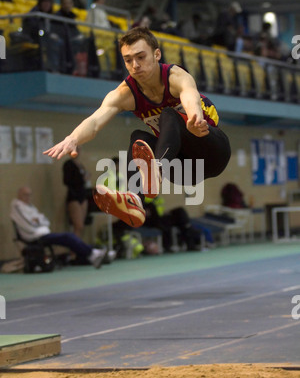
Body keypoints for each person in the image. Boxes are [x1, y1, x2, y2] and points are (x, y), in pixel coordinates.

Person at [44, 26, 231, 229]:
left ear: (157, 54)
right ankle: (135, 199)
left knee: (169, 114)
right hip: (181, 168)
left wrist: (194, 119)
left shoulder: (176, 76)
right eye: (128, 60)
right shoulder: (125, 93)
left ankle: (155, 170)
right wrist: (73, 138)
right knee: (138, 138)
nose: (135, 65)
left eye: (141, 57)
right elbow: (96, 120)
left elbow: (190, 97)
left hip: (211, 151)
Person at [10, 186, 107, 269]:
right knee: (67, 236)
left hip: (43, 232)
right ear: (19, 195)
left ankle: (92, 254)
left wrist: (38, 221)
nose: (28, 197)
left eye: (29, 195)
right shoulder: (16, 206)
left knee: (68, 238)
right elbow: (28, 223)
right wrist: (38, 222)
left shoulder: (31, 207)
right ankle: (92, 253)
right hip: (34, 236)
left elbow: (45, 220)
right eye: (25, 195)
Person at [63, 148, 90, 238]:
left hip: (82, 194)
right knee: (78, 226)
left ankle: (80, 249)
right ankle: (74, 250)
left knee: (81, 226)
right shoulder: (68, 164)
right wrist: (82, 179)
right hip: (74, 196)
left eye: (78, 150)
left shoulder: (80, 165)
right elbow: (67, 181)